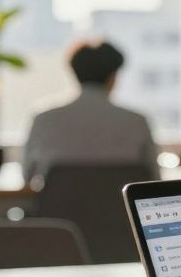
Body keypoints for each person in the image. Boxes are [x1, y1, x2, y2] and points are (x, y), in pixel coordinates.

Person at [23, 40, 158, 182]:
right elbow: (154, 179)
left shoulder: (44, 120)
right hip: (118, 204)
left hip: (60, 203)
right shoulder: (136, 122)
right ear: (113, 77)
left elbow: (27, 177)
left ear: (74, 72)